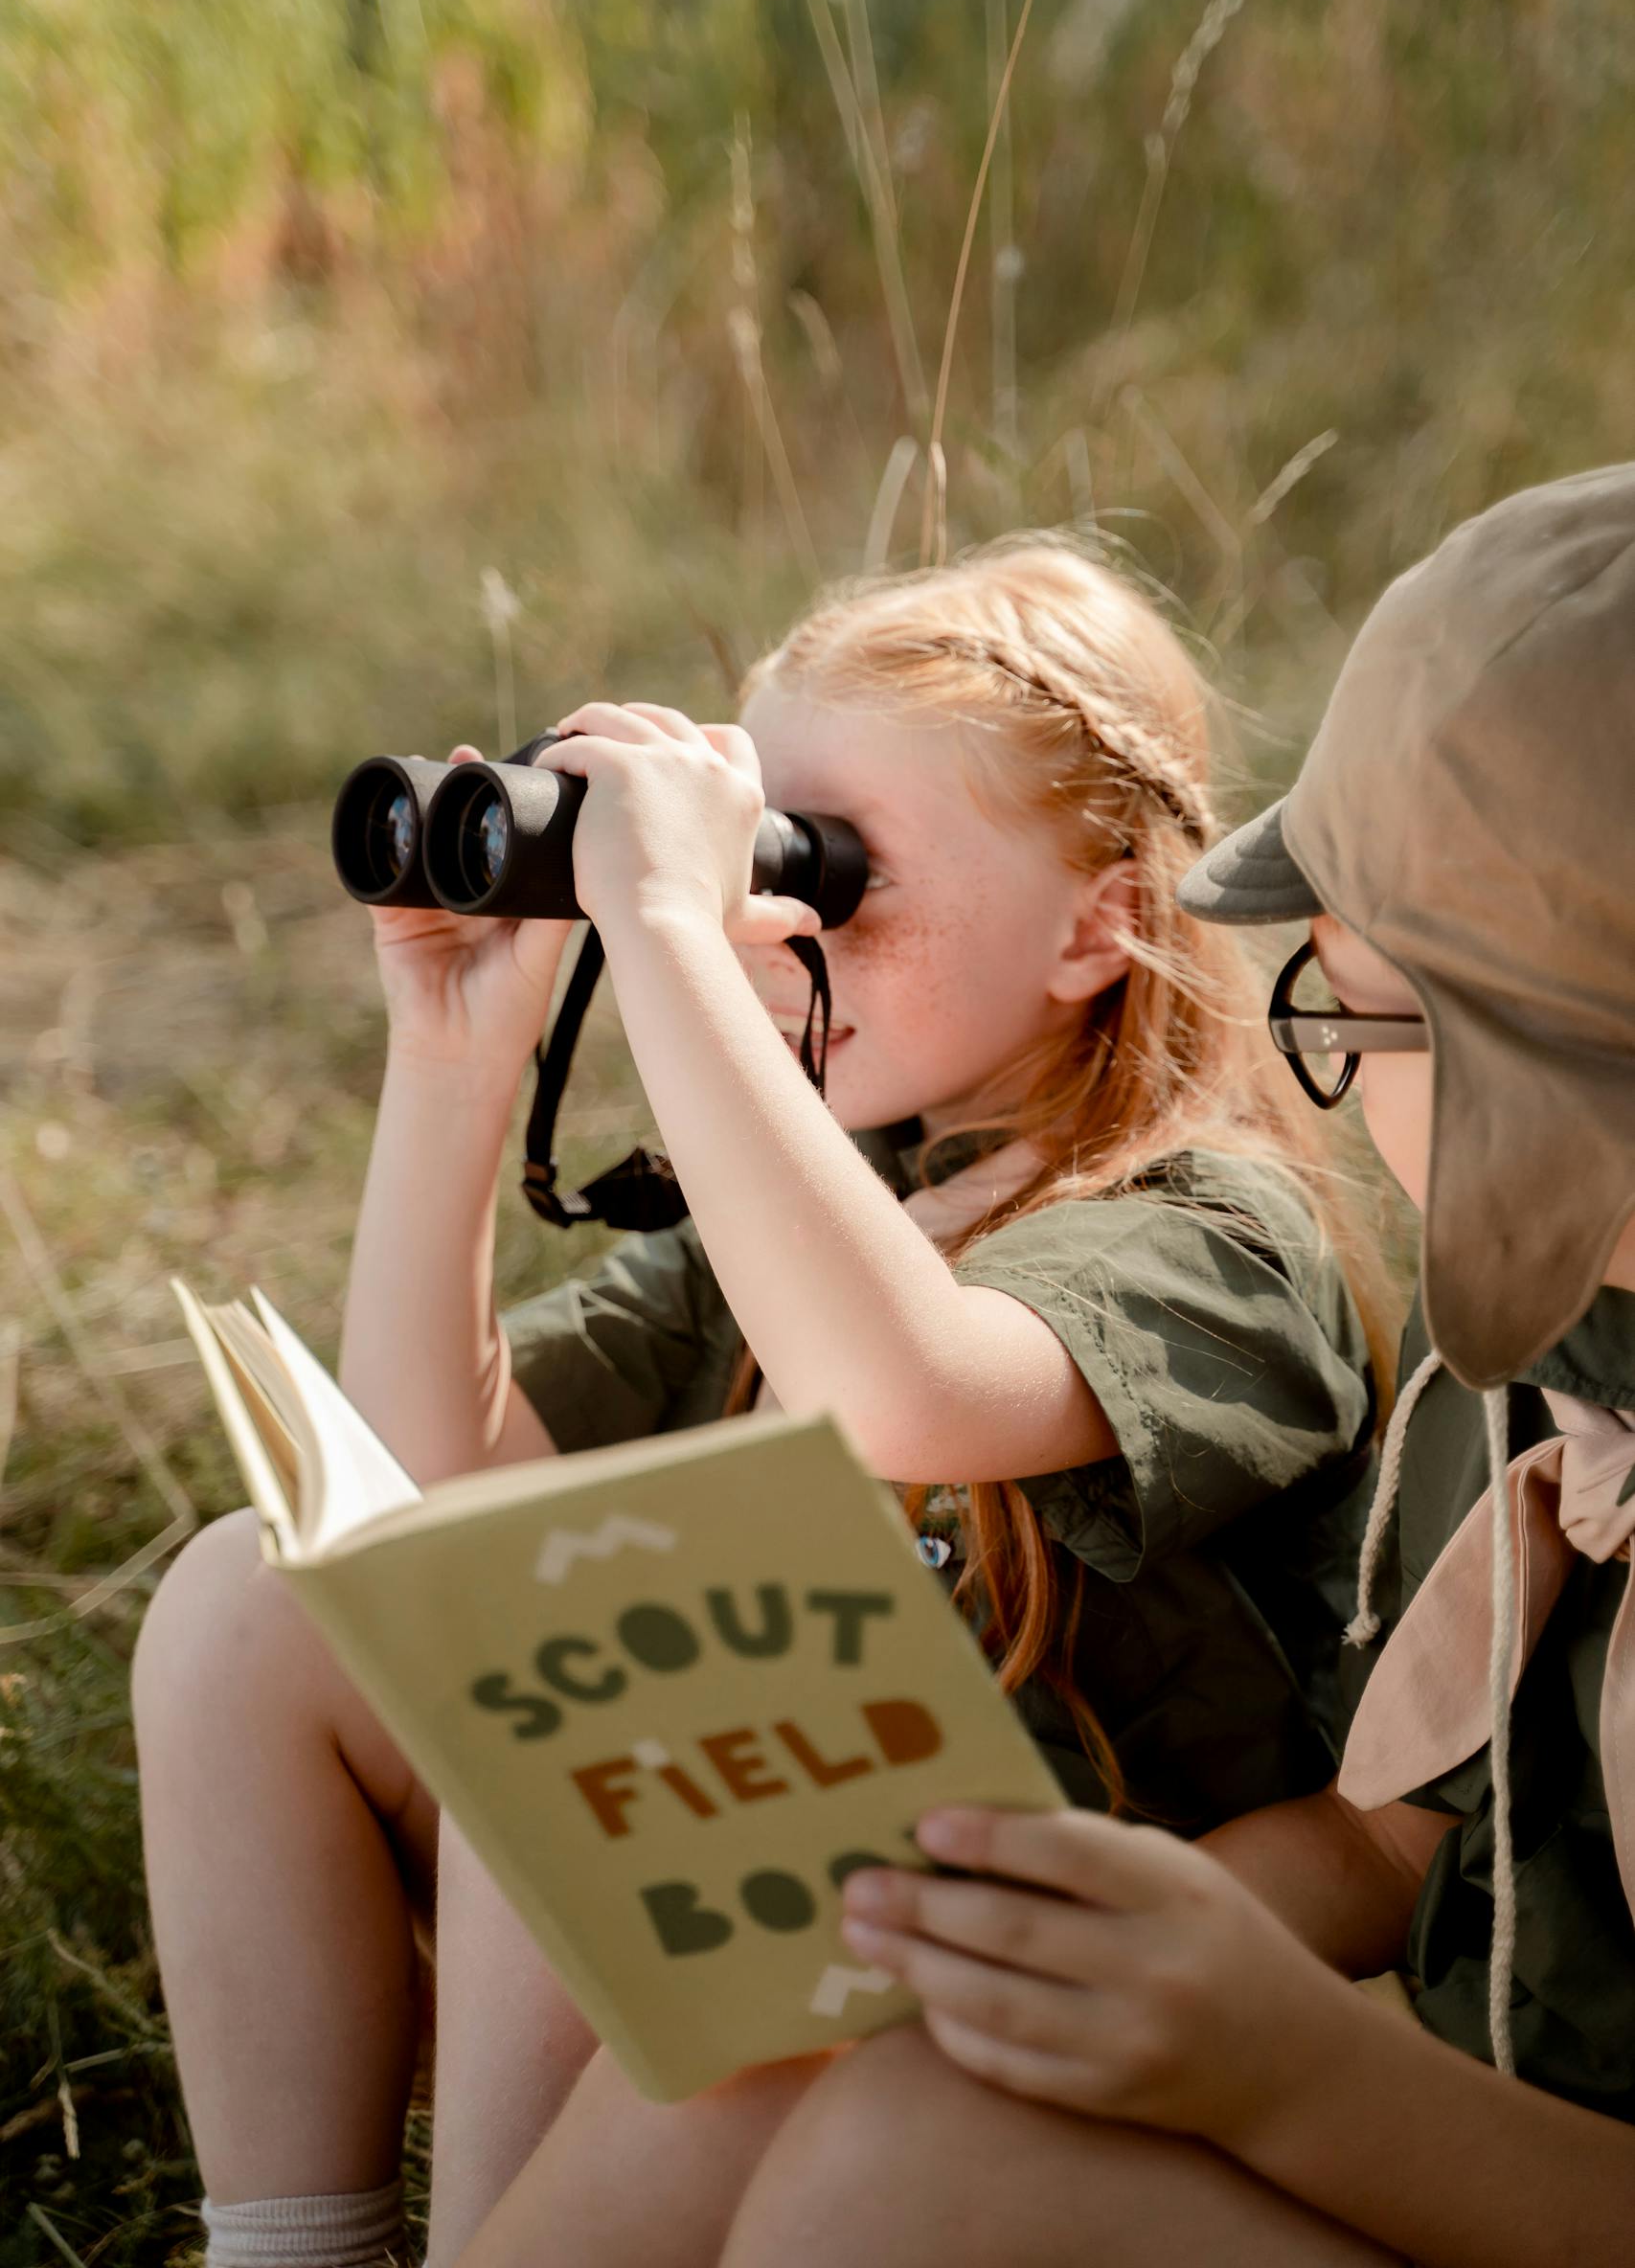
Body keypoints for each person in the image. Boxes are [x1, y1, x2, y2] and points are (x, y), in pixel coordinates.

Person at [132, 534, 1394, 2268]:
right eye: (752, 858)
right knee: (252, 1601)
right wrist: (454, 1056)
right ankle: (298, 2249)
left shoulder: (1219, 1233)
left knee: (582, 1687)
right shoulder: (838, 1183)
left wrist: (662, 931)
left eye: (833, 874)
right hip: (773, 1899)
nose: (769, 924)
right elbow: (426, 1495)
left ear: (1099, 926)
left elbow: (908, 1391)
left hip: (1055, 1995)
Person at [687, 466, 1635, 2268]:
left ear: (1552, 1074)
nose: (1333, 1077)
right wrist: (1087, 1937)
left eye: (1353, 1013)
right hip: (1454, 2099)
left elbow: (913, 1386)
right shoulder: (1530, 1356)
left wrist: (1286, 2078)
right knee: (875, 2084)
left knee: (898, 2163)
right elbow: (1400, 1846)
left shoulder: (1228, 1234)